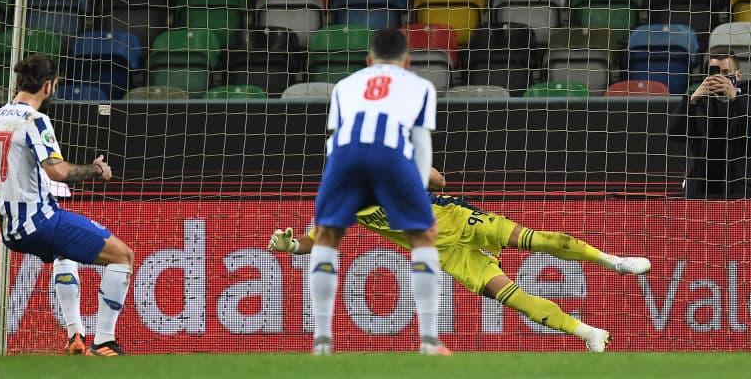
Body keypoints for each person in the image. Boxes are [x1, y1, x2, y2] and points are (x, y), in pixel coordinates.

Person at [270, 169, 651, 353]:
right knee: (510, 295)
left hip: (458, 218)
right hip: (445, 252)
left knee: (535, 240)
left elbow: (439, 180)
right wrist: (291, 247)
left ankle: (615, 261)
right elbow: (317, 239)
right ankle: (588, 334)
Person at [0, 53, 135, 357]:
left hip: (11, 229)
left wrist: (6, 188)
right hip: (40, 221)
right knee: (122, 256)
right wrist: (96, 169)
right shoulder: (34, 120)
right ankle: (104, 341)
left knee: (64, 253)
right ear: (48, 86)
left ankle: (75, 337)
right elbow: (58, 172)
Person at [308, 27, 444, 356]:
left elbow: (334, 140)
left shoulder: (344, 85)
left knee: (326, 235)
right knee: (423, 236)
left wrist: (334, 189)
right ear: (407, 61)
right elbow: (421, 142)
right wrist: (420, 191)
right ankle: (429, 341)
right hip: (390, 150)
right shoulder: (421, 86)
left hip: (344, 153)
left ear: (368, 60)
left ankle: (322, 341)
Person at [667, 52, 751, 199]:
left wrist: (736, 99)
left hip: (742, 189)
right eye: (714, 73)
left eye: (726, 73)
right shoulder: (698, 101)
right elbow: (675, 134)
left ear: (738, 75)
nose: (719, 78)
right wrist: (691, 101)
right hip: (702, 188)